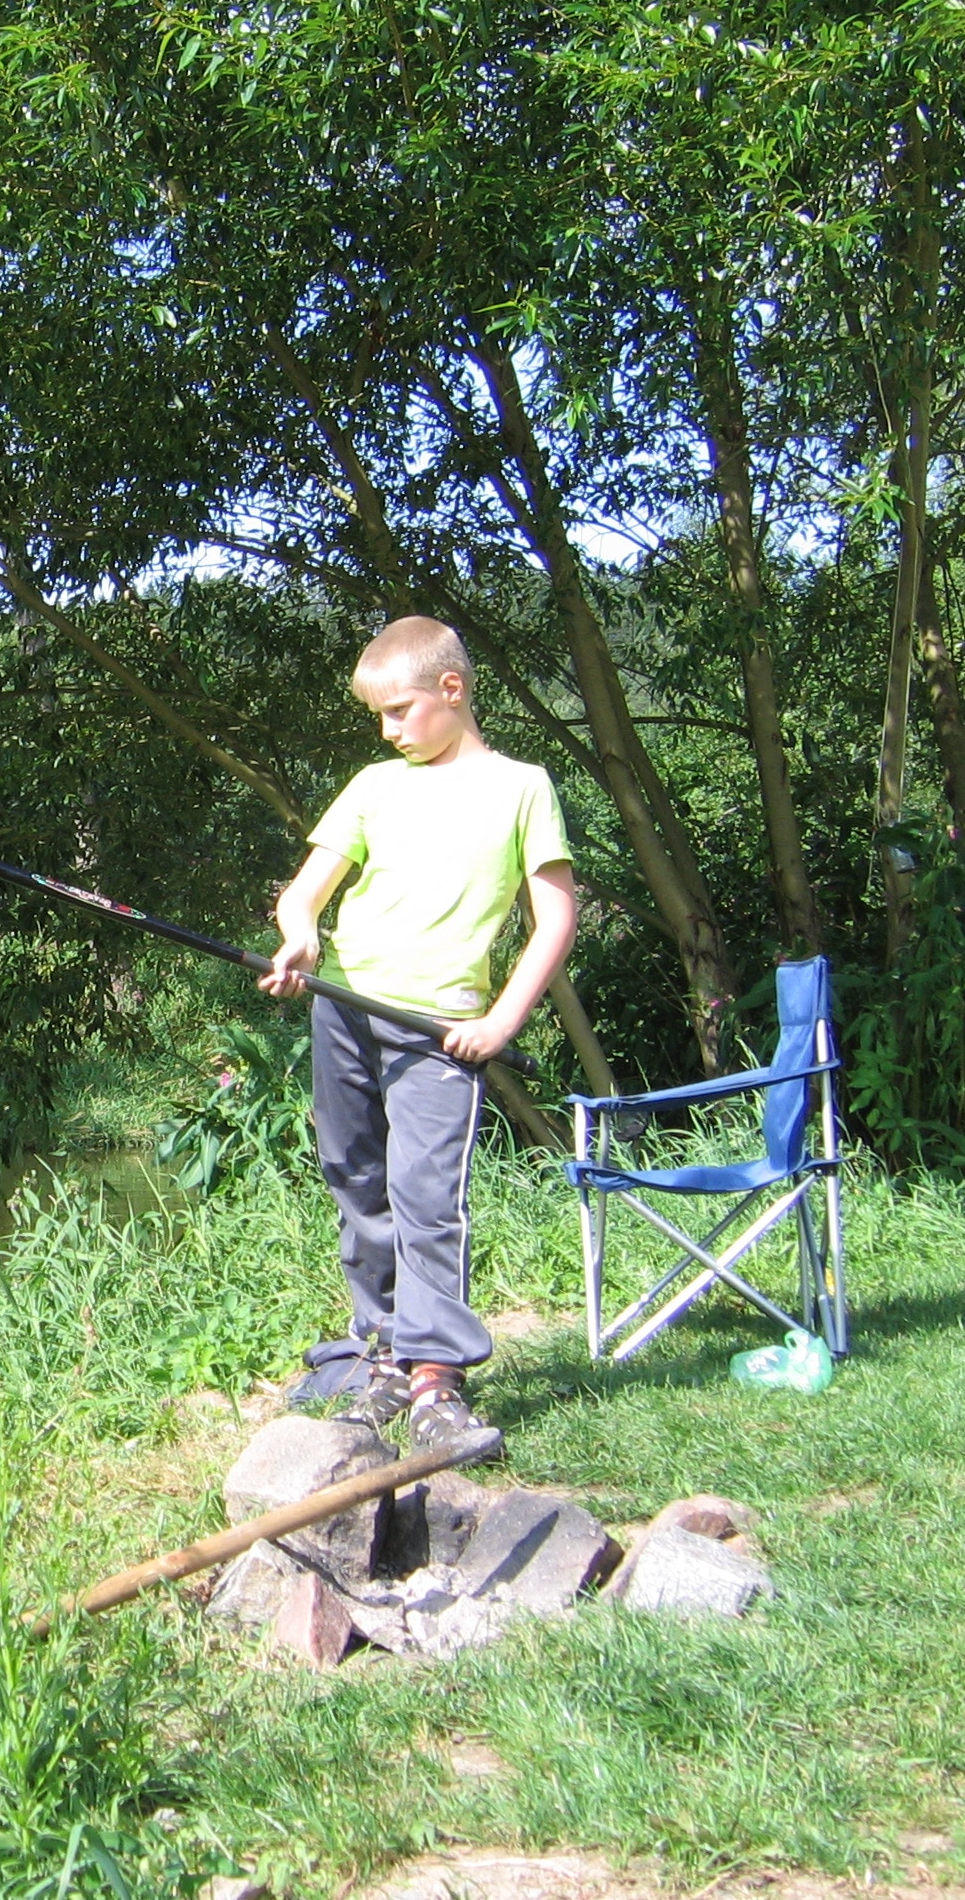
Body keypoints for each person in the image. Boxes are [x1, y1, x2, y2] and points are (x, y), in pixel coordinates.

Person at [259, 616, 577, 1451]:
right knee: (355, 1178)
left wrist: (501, 1020)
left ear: (452, 690)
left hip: (438, 1033)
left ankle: (438, 1378)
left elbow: (555, 918)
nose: (390, 730)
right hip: (345, 1010)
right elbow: (304, 894)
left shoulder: (522, 787)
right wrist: (302, 937)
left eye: (400, 711)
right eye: (380, 718)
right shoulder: (374, 785)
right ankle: (385, 1355)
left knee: (427, 1197)